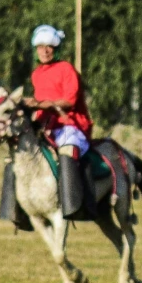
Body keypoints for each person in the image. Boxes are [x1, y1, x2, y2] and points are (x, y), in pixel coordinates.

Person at [24, 24, 94, 217]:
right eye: (40, 47)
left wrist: (40, 104)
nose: (45, 51)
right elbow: (39, 106)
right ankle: (20, 210)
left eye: (49, 47)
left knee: (66, 151)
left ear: (55, 49)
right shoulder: (36, 74)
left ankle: (73, 206)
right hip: (47, 128)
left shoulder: (66, 69)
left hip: (71, 126)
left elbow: (69, 101)